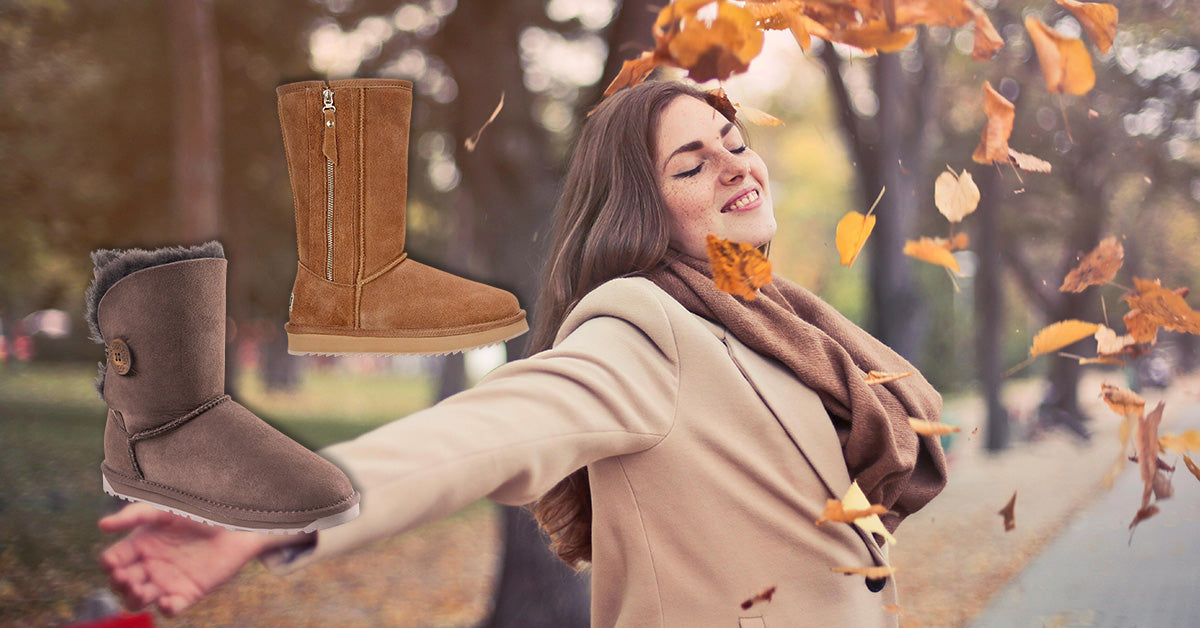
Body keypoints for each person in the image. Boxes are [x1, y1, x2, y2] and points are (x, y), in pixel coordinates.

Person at [99, 80, 947, 626]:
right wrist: (276, 507)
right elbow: (490, 433)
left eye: (732, 141)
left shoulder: (779, 326)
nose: (732, 166)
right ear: (643, 218)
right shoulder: (645, 325)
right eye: (692, 166)